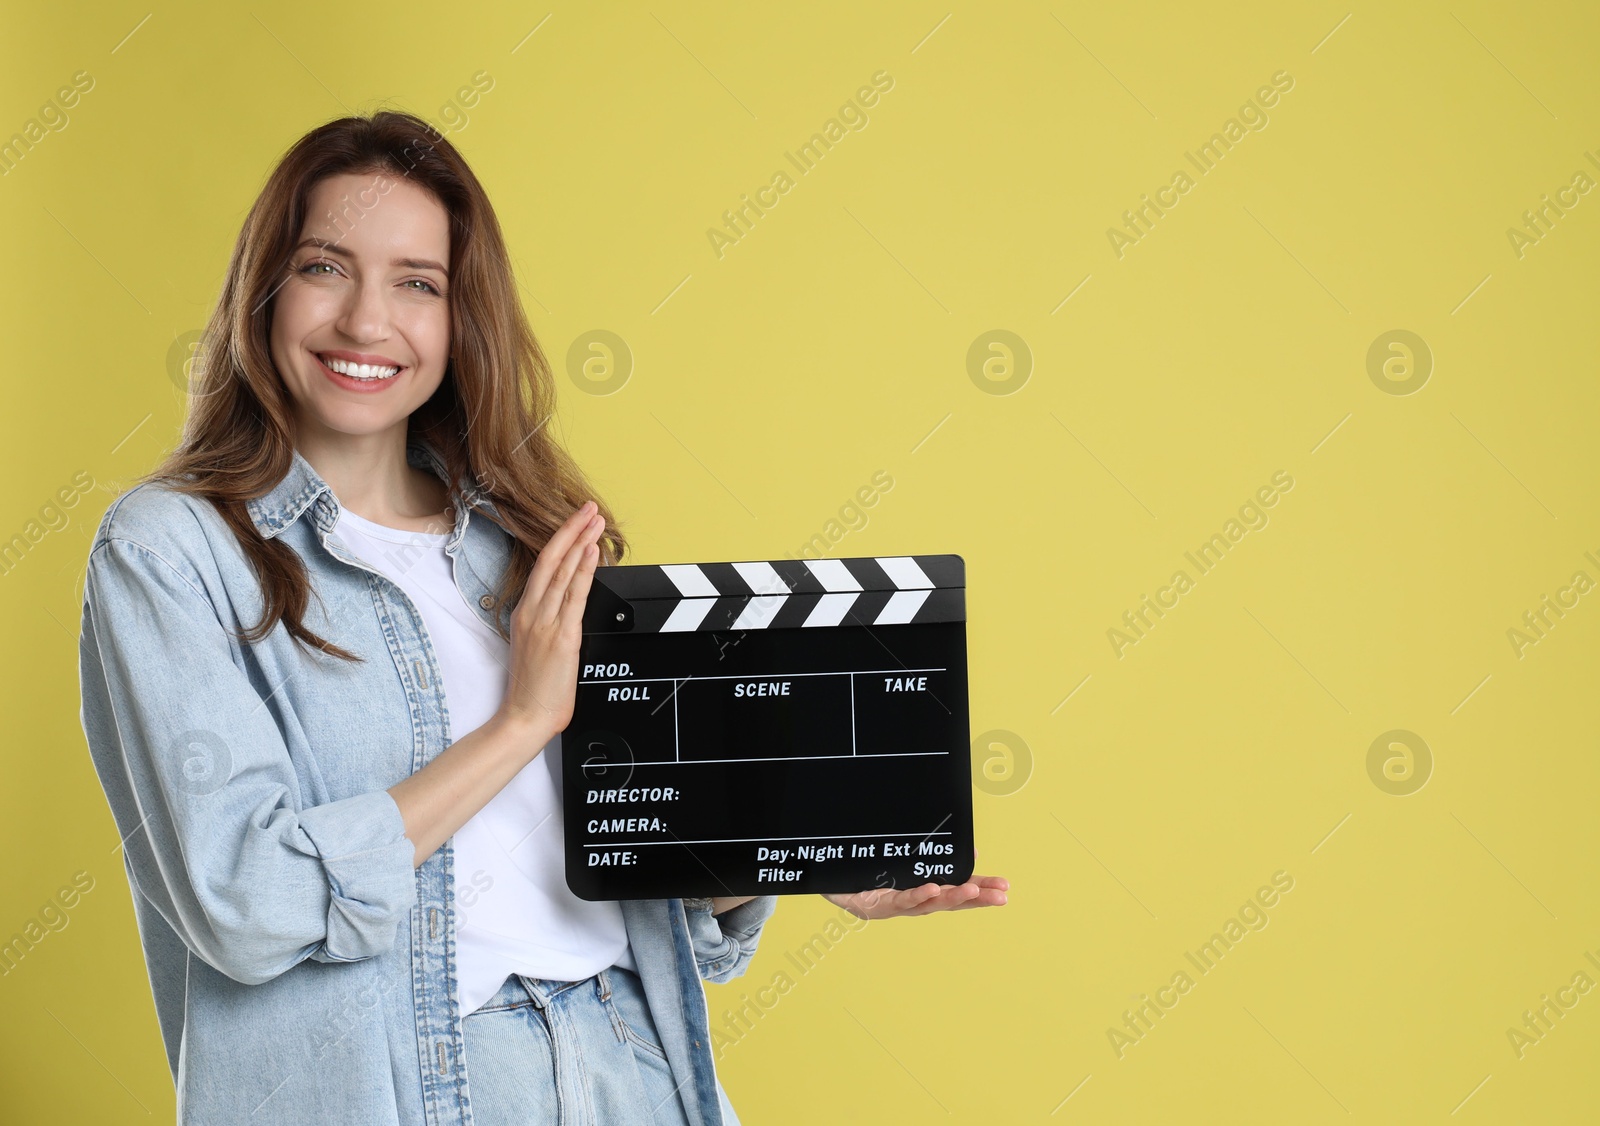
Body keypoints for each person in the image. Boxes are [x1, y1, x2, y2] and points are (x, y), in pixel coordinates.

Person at [76, 109, 1008, 1125]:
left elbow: (640, 872)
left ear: (459, 316)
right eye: (324, 266)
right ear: (264, 290)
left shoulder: (524, 541)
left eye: (417, 283)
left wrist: (799, 862)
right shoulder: (169, 551)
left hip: (628, 1065)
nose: (366, 322)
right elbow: (248, 904)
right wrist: (518, 722)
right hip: (403, 1087)